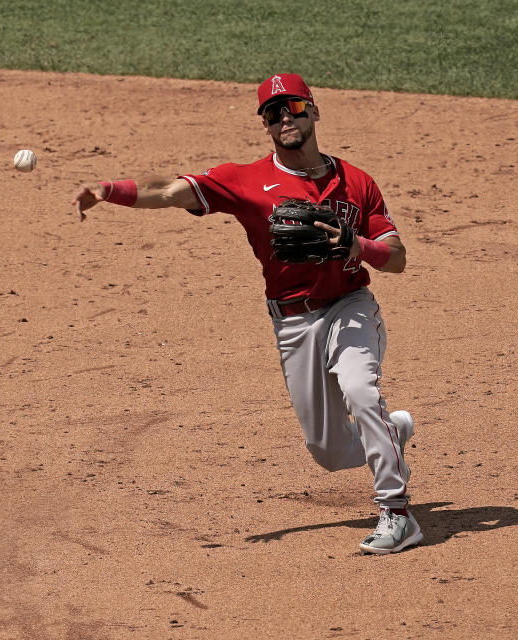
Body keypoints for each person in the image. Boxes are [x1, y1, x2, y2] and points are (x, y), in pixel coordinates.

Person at [71, 73, 422, 555]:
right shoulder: (246, 180)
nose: (284, 119)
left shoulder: (357, 182)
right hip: (294, 323)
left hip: (350, 305)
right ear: (265, 125)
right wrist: (110, 189)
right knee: (328, 452)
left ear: (314, 111)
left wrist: (355, 245)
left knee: (360, 389)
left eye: (293, 108)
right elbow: (171, 190)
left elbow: (397, 257)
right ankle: (392, 430)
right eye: (272, 114)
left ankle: (398, 513)